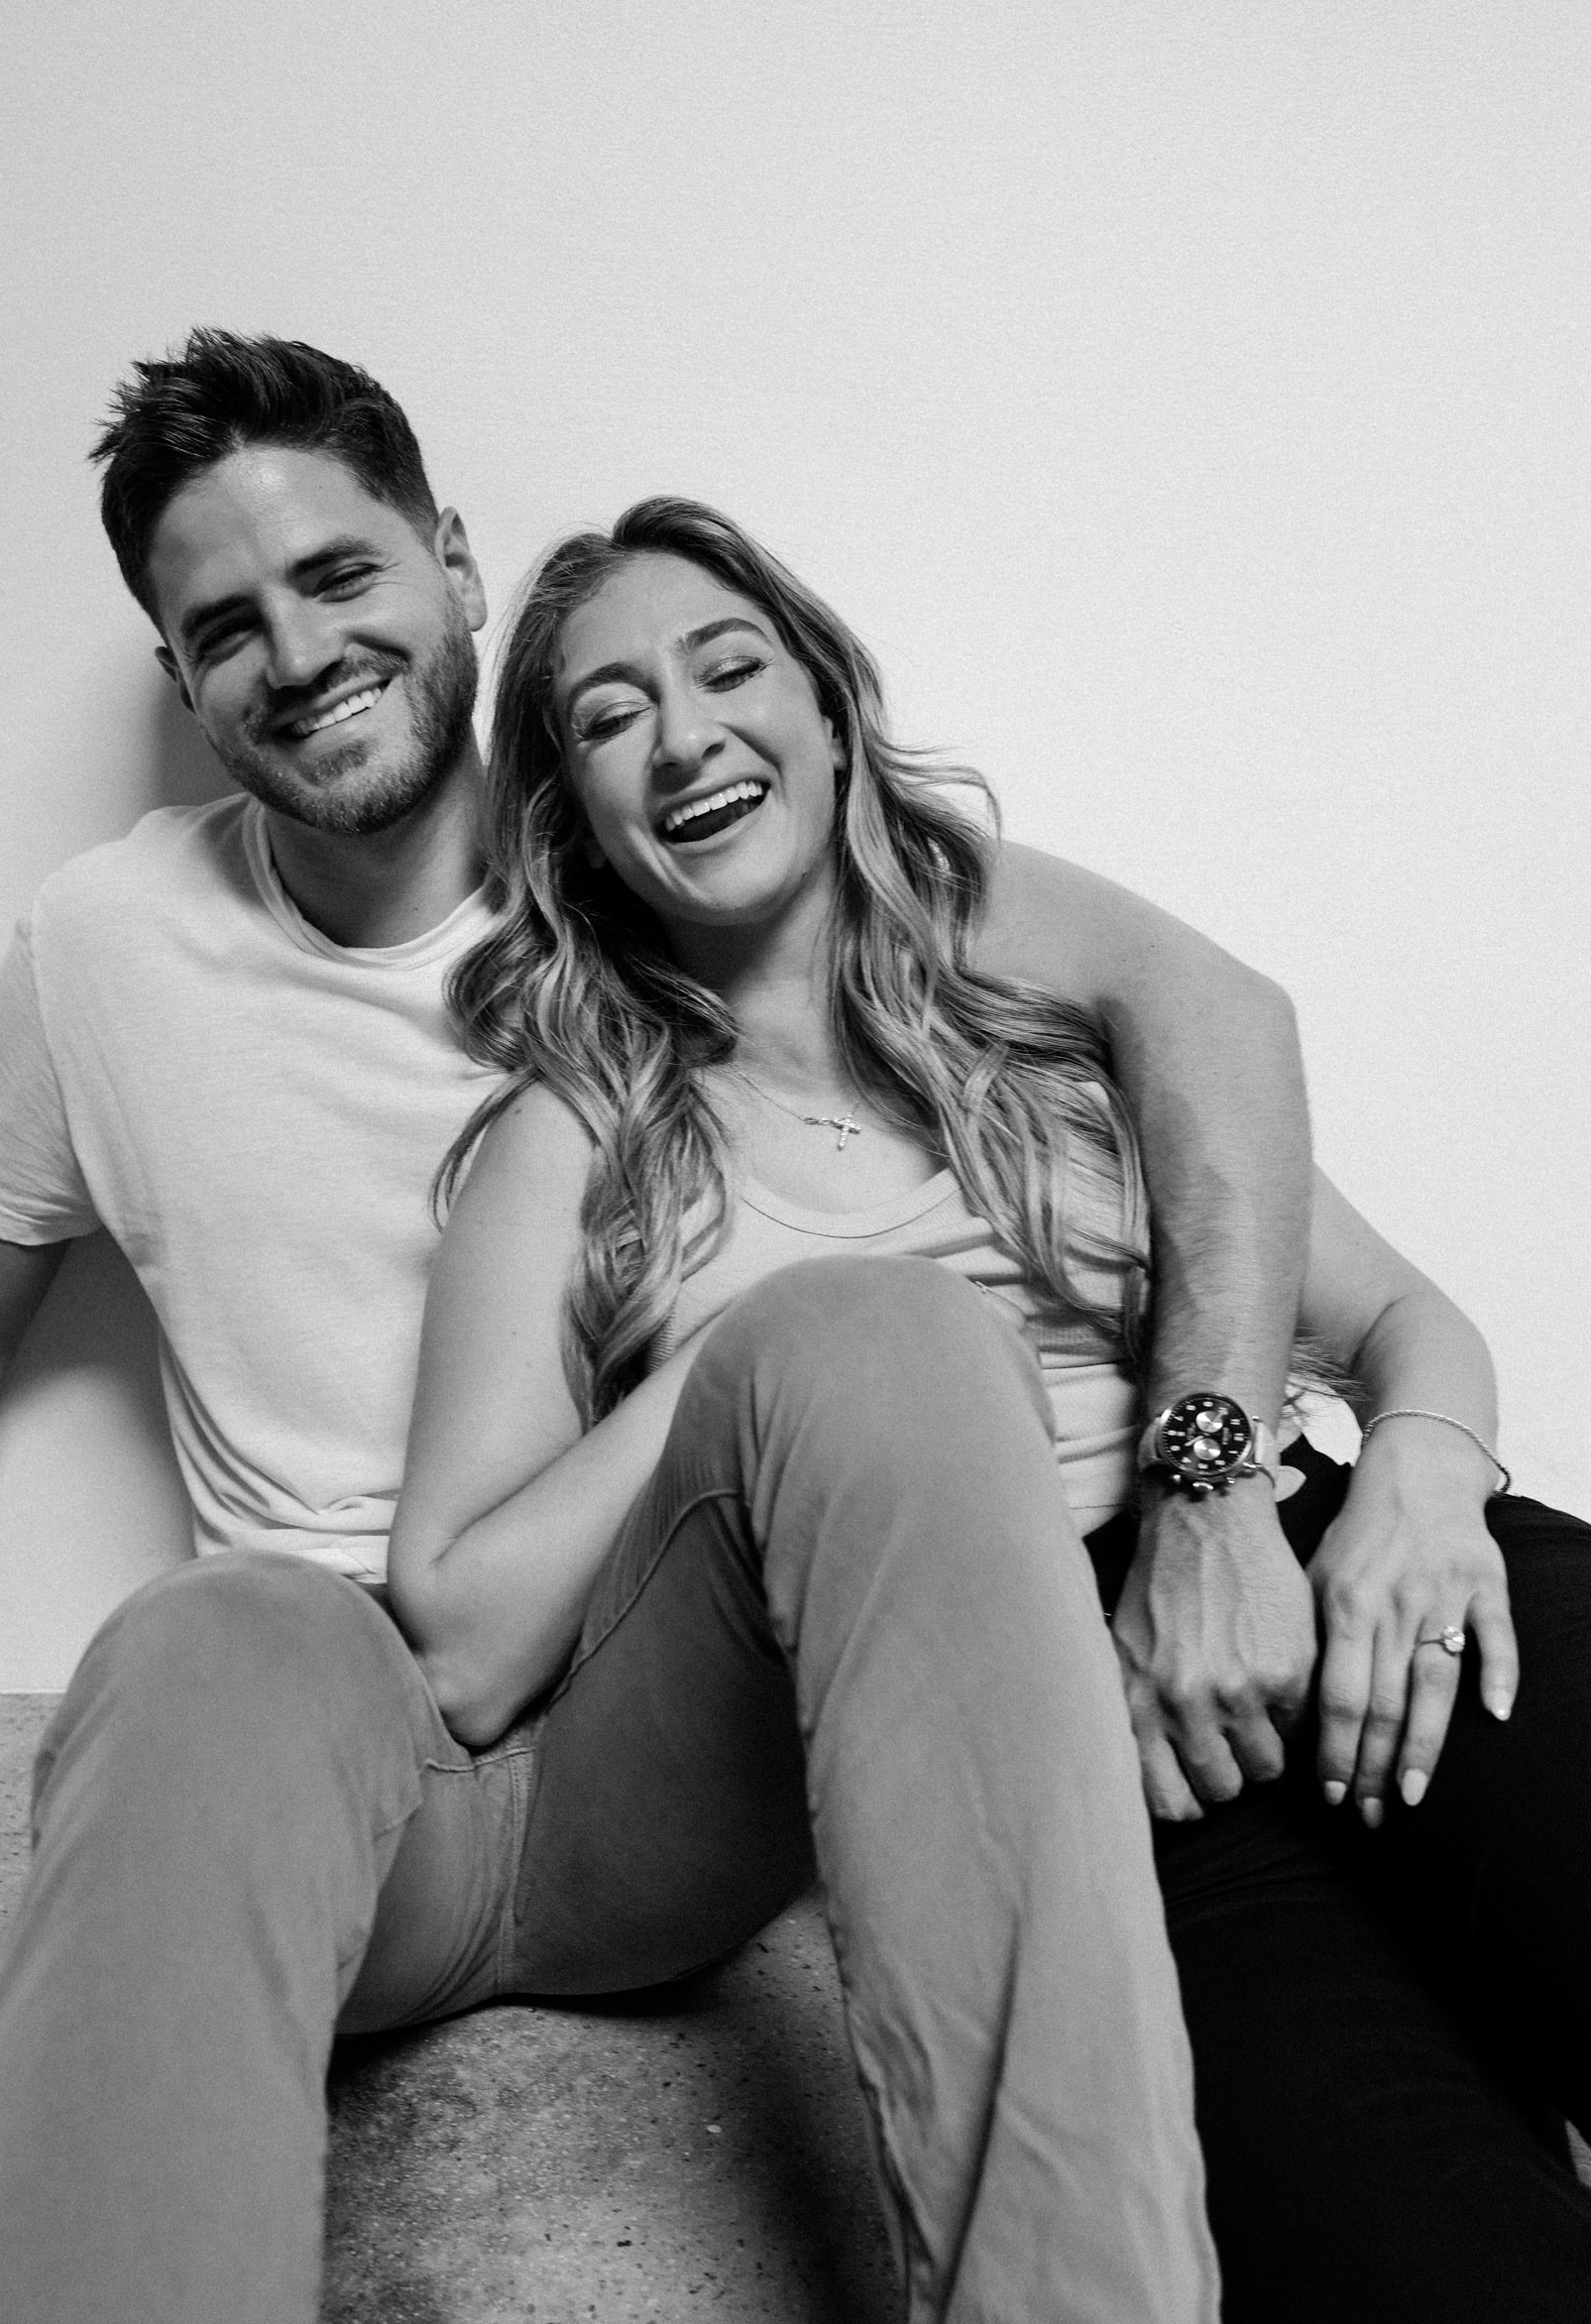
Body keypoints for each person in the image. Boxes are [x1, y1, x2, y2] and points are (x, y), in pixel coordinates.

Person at [0, 333, 1464, 2312]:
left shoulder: (700, 872)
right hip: (340, 1748)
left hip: (650, 1733)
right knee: (212, 1627)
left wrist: (1269, 1471)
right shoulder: (102, 951)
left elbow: (1203, 1013)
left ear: (453, 564)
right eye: (226, 624)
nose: (297, 648)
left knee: (870, 1336)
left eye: (341, 575)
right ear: (183, 682)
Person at [388, 495, 1591, 2322]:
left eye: (729, 666)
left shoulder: (1047, 1020)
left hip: (1338, 1573)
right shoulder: (573, 1142)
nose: (690, 732)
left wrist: (1420, 1483)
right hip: (1088, 1762)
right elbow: (463, 1636)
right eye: (613, 714)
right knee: (1430, 2263)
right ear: (570, 815)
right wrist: (758, 1335)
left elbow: (1407, 1322)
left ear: (829, 707)